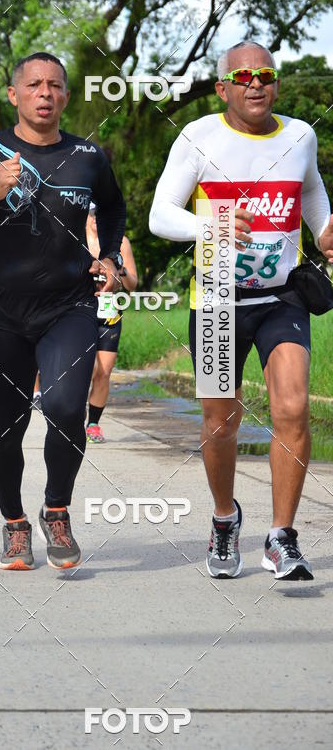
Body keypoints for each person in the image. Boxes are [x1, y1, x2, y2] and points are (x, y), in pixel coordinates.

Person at [149, 40, 333, 580]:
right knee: (219, 422)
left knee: (293, 409)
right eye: (245, 76)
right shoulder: (198, 137)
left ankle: (281, 538)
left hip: (282, 297)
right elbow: (161, 214)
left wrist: (325, 230)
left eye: (267, 74)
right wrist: (211, 226)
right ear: (222, 87)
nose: (257, 83)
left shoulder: (300, 135)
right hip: (215, 298)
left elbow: (313, 192)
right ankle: (225, 519)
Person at [0, 51, 126, 571]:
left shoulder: (88, 156)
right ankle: (15, 524)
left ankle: (57, 510)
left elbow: (113, 206)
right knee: (6, 427)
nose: (46, 93)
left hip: (69, 306)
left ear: (66, 96)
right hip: (2, 314)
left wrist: (108, 256)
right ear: (14, 94)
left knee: (67, 408)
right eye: (35, 85)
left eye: (56, 86)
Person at [85, 203, 138, 443]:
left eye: (100, 213)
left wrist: (120, 270)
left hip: (109, 312)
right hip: (81, 310)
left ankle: (93, 423)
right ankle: (71, 417)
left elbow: (132, 284)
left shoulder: (121, 243)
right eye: (92, 213)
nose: (96, 218)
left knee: (104, 371)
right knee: (86, 369)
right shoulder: (76, 237)